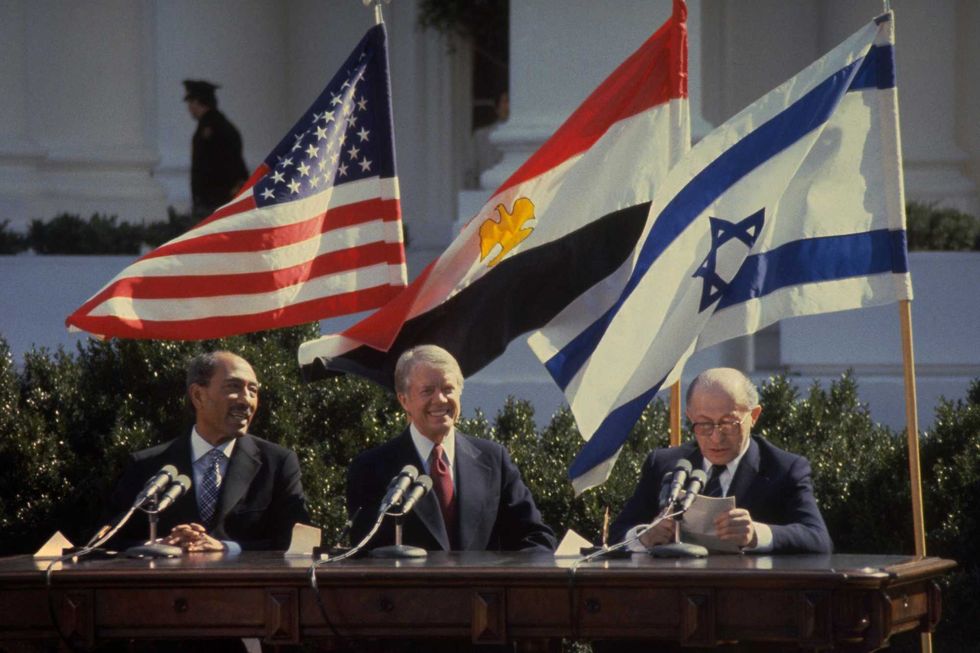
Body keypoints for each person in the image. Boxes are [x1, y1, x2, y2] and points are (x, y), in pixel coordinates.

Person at [346, 344, 556, 552]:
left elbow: (536, 537)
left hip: (482, 586)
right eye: (427, 391)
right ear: (404, 400)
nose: (440, 399)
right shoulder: (371, 468)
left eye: (448, 389)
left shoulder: (494, 460)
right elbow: (362, 552)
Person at [102, 351, 309, 552]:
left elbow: (297, 545)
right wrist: (158, 546)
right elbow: (107, 540)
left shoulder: (278, 463)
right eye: (234, 387)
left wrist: (227, 548)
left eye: (253, 391)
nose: (246, 400)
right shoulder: (146, 465)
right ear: (198, 395)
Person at [610, 367, 832, 554]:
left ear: (753, 416)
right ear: (690, 418)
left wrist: (756, 534)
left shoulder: (783, 469)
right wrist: (644, 536)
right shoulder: (664, 465)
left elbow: (818, 539)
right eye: (704, 424)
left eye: (728, 423)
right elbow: (616, 536)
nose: (716, 437)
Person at [182, 79, 249, 217]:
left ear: (198, 102)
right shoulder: (220, 125)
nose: (189, 108)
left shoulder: (210, 129)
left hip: (214, 200)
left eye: (190, 102)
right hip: (221, 197)